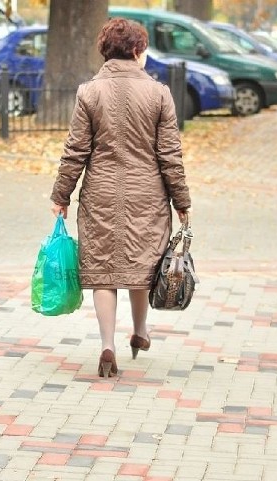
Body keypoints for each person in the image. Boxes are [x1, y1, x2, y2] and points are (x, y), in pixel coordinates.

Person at [49, 18, 191, 378]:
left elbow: (75, 150)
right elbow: (170, 154)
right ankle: (141, 332)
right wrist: (182, 201)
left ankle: (107, 344)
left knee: (103, 272)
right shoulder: (159, 93)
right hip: (149, 196)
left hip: (100, 194)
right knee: (142, 268)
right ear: (136, 51)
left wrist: (61, 194)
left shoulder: (89, 92)